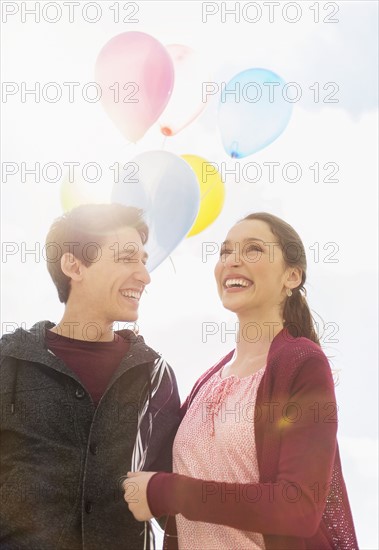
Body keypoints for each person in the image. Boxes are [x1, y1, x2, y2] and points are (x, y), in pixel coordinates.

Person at [123, 212, 358, 549]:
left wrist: (169, 491)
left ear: (291, 276)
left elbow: (299, 507)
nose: (232, 261)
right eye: (225, 252)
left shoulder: (302, 363)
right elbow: (171, 498)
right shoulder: (207, 381)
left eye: (253, 250)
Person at [0, 203, 180, 550]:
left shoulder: (155, 376)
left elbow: (171, 506)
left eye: (144, 260)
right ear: (74, 265)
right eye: (128, 258)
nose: (145, 275)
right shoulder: (8, 362)